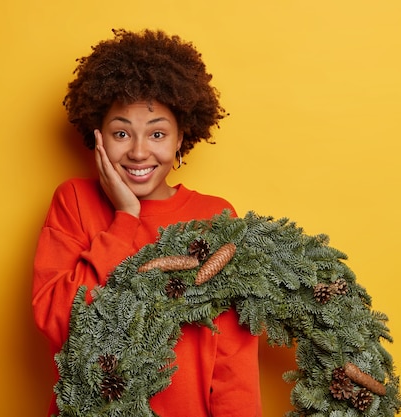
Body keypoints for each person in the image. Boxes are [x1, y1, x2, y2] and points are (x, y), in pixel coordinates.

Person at [32, 29, 262, 417]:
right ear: (98, 137)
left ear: (179, 140)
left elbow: (233, 355)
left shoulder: (214, 217)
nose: (139, 152)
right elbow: (59, 321)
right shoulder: (73, 201)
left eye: (157, 133)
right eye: (121, 133)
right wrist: (124, 219)